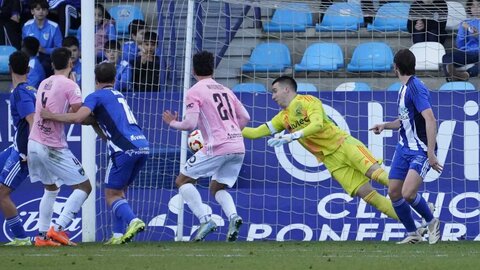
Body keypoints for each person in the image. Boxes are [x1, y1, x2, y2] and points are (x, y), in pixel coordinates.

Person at [242, 75, 404, 226]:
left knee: (379, 176)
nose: (273, 96)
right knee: (368, 196)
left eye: (275, 91)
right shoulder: (282, 118)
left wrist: (293, 136)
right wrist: (230, 128)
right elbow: (256, 133)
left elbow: (317, 124)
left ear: (287, 89)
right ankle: (415, 226)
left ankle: (420, 202)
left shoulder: (308, 101)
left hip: (344, 145)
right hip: (331, 162)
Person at [40, 62, 149, 245]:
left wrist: (51, 115)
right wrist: (91, 121)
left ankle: (133, 221)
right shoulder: (118, 95)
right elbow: (93, 122)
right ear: (114, 79)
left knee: (111, 195)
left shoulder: (95, 96)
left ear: (95, 80)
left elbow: (78, 117)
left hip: (123, 149)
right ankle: (117, 236)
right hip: (142, 145)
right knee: (119, 191)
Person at [162, 51, 250, 242]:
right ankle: (234, 217)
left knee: (182, 181)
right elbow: (245, 117)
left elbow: (190, 125)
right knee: (217, 187)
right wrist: (233, 133)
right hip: (238, 145)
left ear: (193, 70)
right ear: (213, 68)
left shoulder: (194, 91)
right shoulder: (226, 90)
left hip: (218, 146)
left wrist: (172, 123)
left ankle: (205, 220)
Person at [370, 49, 442, 244]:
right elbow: (404, 121)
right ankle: (413, 233)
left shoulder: (415, 88)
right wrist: (385, 126)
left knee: (408, 193)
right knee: (394, 192)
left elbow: (430, 119)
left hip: (420, 149)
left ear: (396, 67)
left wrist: (430, 152)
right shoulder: (403, 88)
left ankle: (432, 221)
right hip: (403, 148)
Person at [27, 47, 92, 247]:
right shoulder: (70, 85)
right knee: (85, 186)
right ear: (71, 63)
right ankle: (59, 228)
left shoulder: (43, 83)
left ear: (53, 64)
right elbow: (79, 115)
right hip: (52, 146)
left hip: (33, 142)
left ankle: (42, 235)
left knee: (51, 188)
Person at [0, 51, 36, 246]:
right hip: (16, 147)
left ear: (10, 69)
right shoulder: (31, 89)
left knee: (1, 193)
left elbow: (32, 120)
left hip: (23, 152)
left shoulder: (21, 92)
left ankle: (21, 237)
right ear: (28, 69)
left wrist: (30, 151)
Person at [22, 0, 63, 77]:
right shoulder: (26, 26)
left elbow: (60, 49)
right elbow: (25, 46)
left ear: (47, 12)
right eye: (38, 9)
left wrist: (44, 50)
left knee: (45, 64)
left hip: (47, 58)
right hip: (31, 57)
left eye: (43, 9)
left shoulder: (54, 26)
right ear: (32, 11)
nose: (41, 12)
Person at [442, 0, 480, 81]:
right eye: (473, 6)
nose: (476, 8)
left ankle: (465, 75)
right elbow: (459, 45)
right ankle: (451, 76)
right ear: (469, 8)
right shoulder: (465, 22)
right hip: (467, 53)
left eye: (479, 5)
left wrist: (478, 36)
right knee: (446, 57)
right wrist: (463, 30)